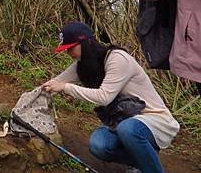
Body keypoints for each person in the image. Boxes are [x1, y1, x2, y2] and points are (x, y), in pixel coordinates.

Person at [42, 22, 179, 173]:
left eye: (71, 48)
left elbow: (104, 97)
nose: (69, 53)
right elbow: (57, 82)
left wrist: (66, 88)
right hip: (122, 122)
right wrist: (37, 95)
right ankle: (143, 161)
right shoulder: (83, 65)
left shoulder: (117, 59)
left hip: (154, 120)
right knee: (98, 146)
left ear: (85, 42)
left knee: (128, 130)